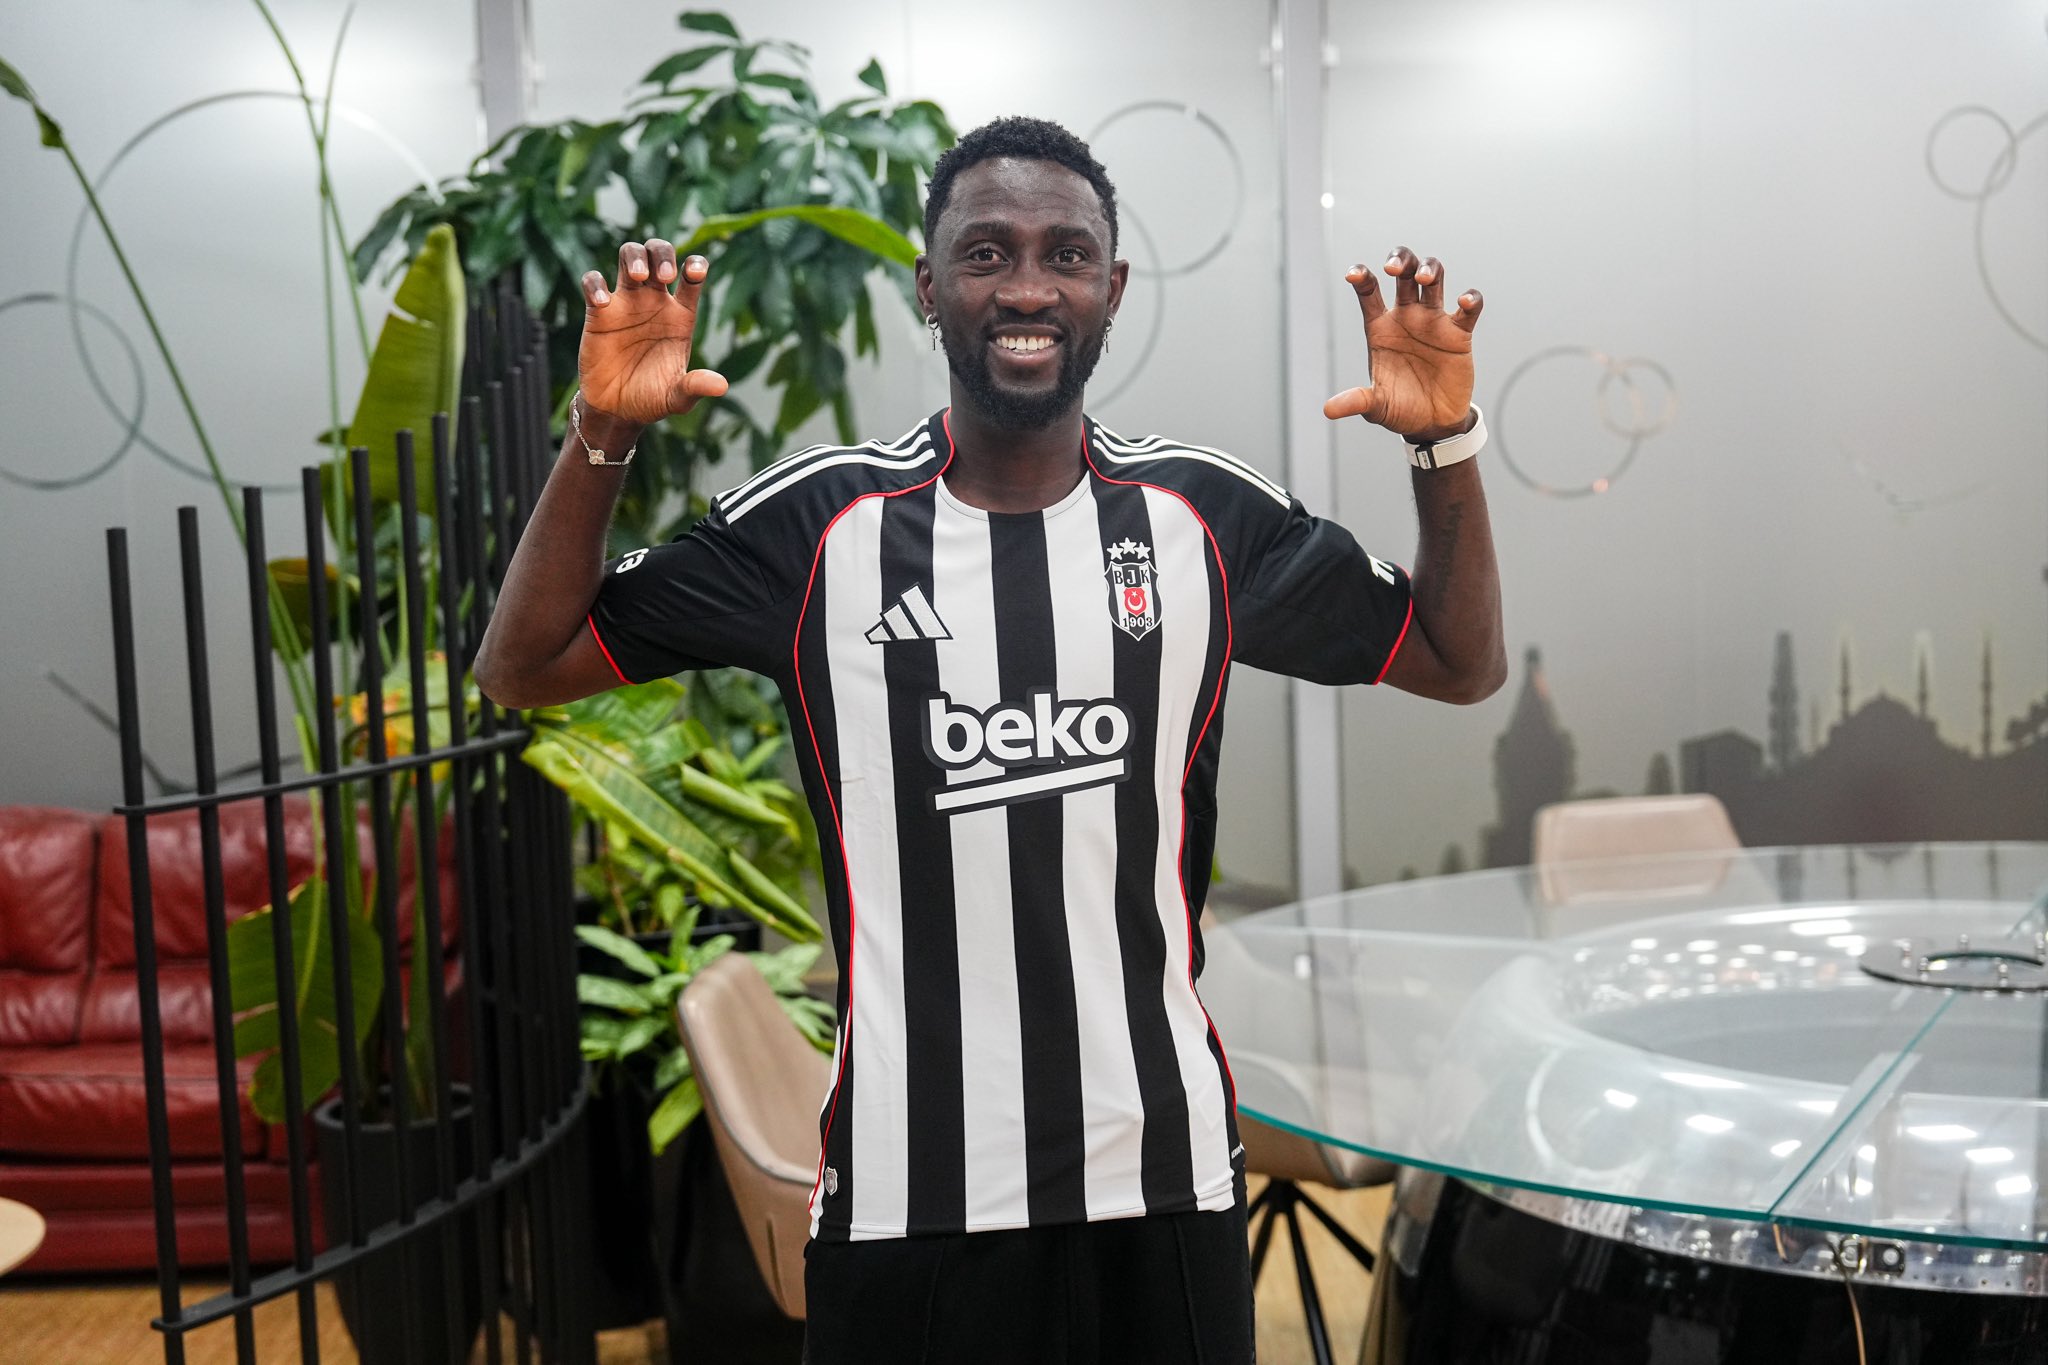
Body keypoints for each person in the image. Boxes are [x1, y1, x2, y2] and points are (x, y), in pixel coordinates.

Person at [475, 115, 1503, 1365]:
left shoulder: (1199, 518)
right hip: (907, 1196)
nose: (1027, 288)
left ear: (1111, 289)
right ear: (927, 285)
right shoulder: (817, 529)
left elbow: (1457, 662)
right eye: (985, 253)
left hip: (1159, 1178)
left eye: (1066, 255)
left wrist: (1442, 447)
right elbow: (523, 666)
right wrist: (603, 437)